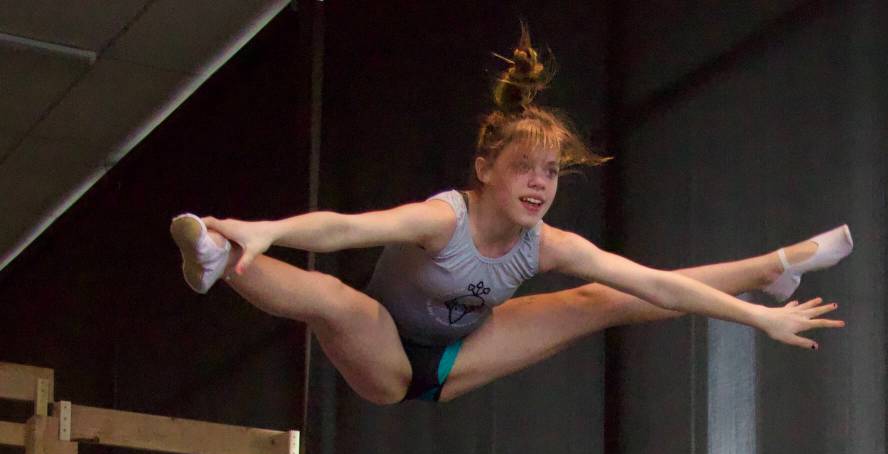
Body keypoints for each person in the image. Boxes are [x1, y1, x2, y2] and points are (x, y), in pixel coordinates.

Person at [170, 27, 851, 405]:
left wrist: (762, 319)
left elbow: (657, 285)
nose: (539, 184)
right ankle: (220, 256)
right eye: (525, 167)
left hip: (461, 356)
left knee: (600, 297)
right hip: (390, 360)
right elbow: (348, 227)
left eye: (552, 172)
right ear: (485, 168)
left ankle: (769, 271)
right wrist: (266, 231)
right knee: (340, 304)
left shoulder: (546, 243)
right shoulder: (443, 220)